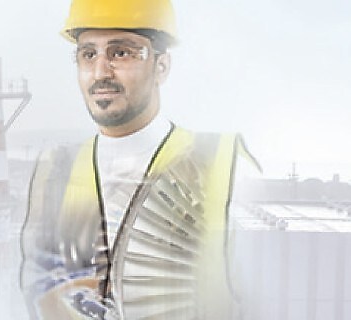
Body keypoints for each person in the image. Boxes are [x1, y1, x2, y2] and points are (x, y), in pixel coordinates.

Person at [19, 0, 256, 318]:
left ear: (162, 66)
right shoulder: (53, 171)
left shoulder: (226, 167)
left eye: (121, 53)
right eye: (88, 54)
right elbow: (35, 291)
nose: (101, 72)